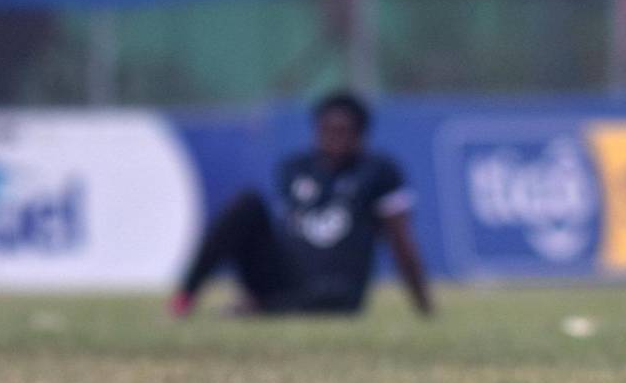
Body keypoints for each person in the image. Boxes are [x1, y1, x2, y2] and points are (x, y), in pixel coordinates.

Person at [169, 91, 433, 318]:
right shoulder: (294, 168)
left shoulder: (379, 172)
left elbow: (401, 240)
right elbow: (289, 229)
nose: (333, 139)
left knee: (336, 299)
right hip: (288, 276)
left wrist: (423, 304)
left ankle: (259, 308)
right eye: (326, 130)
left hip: (339, 285)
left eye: (342, 132)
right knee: (247, 203)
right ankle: (185, 297)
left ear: (360, 135)